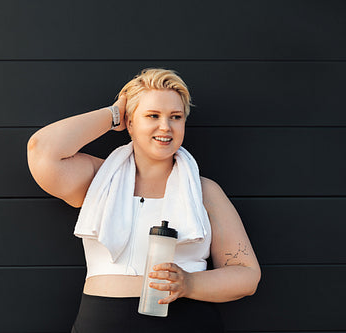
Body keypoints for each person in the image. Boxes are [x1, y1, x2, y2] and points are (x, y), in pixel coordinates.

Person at [27, 68, 261, 333]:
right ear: (130, 121)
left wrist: (188, 284)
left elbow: (246, 275)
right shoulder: (98, 180)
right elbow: (42, 150)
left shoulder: (205, 191)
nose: (166, 126)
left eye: (176, 116)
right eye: (152, 115)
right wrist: (114, 114)